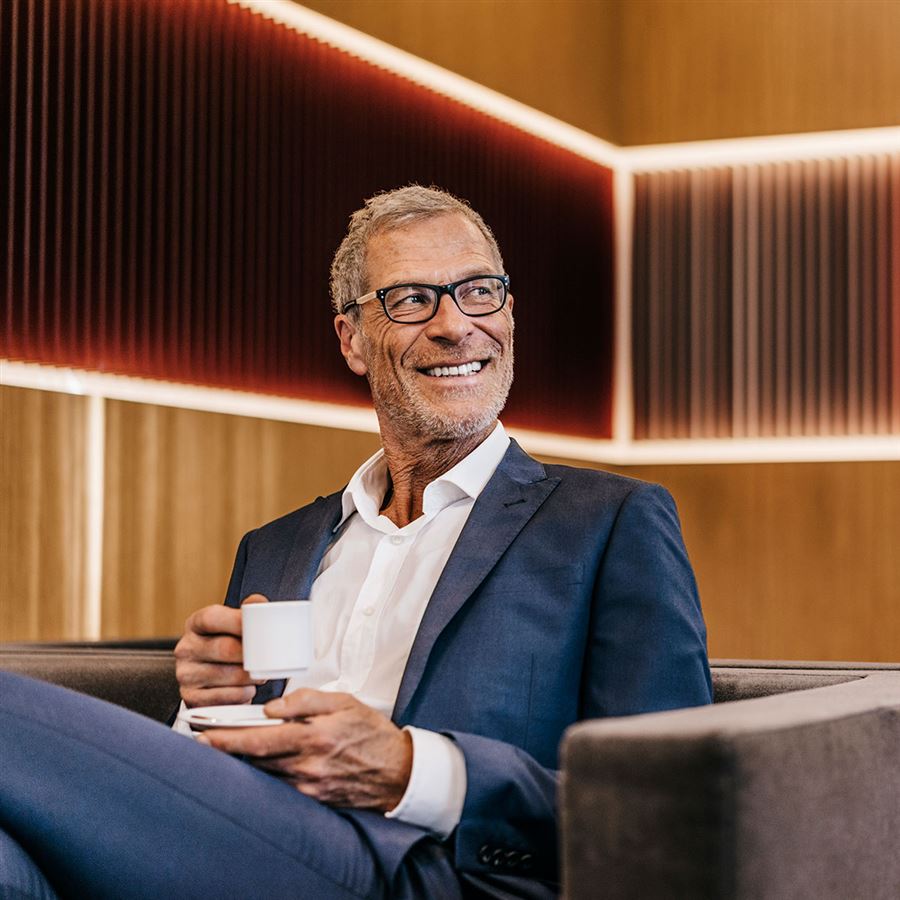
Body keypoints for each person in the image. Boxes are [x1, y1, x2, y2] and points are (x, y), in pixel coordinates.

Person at [0, 186, 712, 899]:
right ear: (351, 340)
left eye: (478, 292)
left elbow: (675, 811)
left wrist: (413, 771)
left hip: (428, 875)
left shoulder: (610, 522)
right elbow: (213, 766)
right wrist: (203, 704)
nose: (455, 325)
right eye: (410, 299)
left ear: (509, 313)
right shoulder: (274, 547)